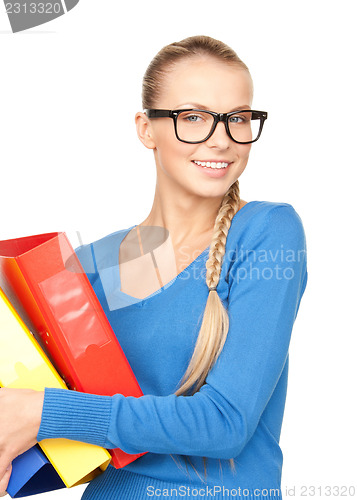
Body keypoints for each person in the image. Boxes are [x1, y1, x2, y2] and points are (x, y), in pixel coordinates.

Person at [0, 35, 308, 499]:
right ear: (146, 129)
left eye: (238, 119)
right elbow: (44, 424)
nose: (221, 140)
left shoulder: (266, 232)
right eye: (194, 117)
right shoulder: (87, 265)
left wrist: (43, 412)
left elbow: (226, 423)